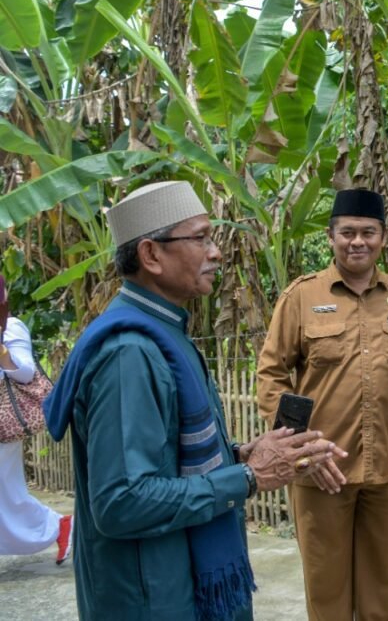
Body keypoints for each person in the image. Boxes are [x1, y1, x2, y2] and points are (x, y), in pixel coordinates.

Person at [43, 181, 346, 621]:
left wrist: (243, 454)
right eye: (200, 237)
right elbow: (121, 501)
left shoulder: (164, 332)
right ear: (151, 255)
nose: (216, 251)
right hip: (150, 596)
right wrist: (247, 477)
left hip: (174, 583)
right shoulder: (130, 353)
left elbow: (166, 455)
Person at [257, 188, 388, 620]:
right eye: (348, 232)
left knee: (385, 593)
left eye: (368, 232)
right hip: (322, 473)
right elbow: (271, 375)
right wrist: (298, 451)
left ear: (383, 237)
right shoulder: (301, 297)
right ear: (331, 236)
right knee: (327, 595)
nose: (358, 241)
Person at [0, 273, 72, 564]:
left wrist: (2, 349)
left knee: (10, 496)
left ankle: (58, 526)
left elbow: (27, 374)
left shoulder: (11, 328)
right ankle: (58, 526)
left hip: (2, 422)